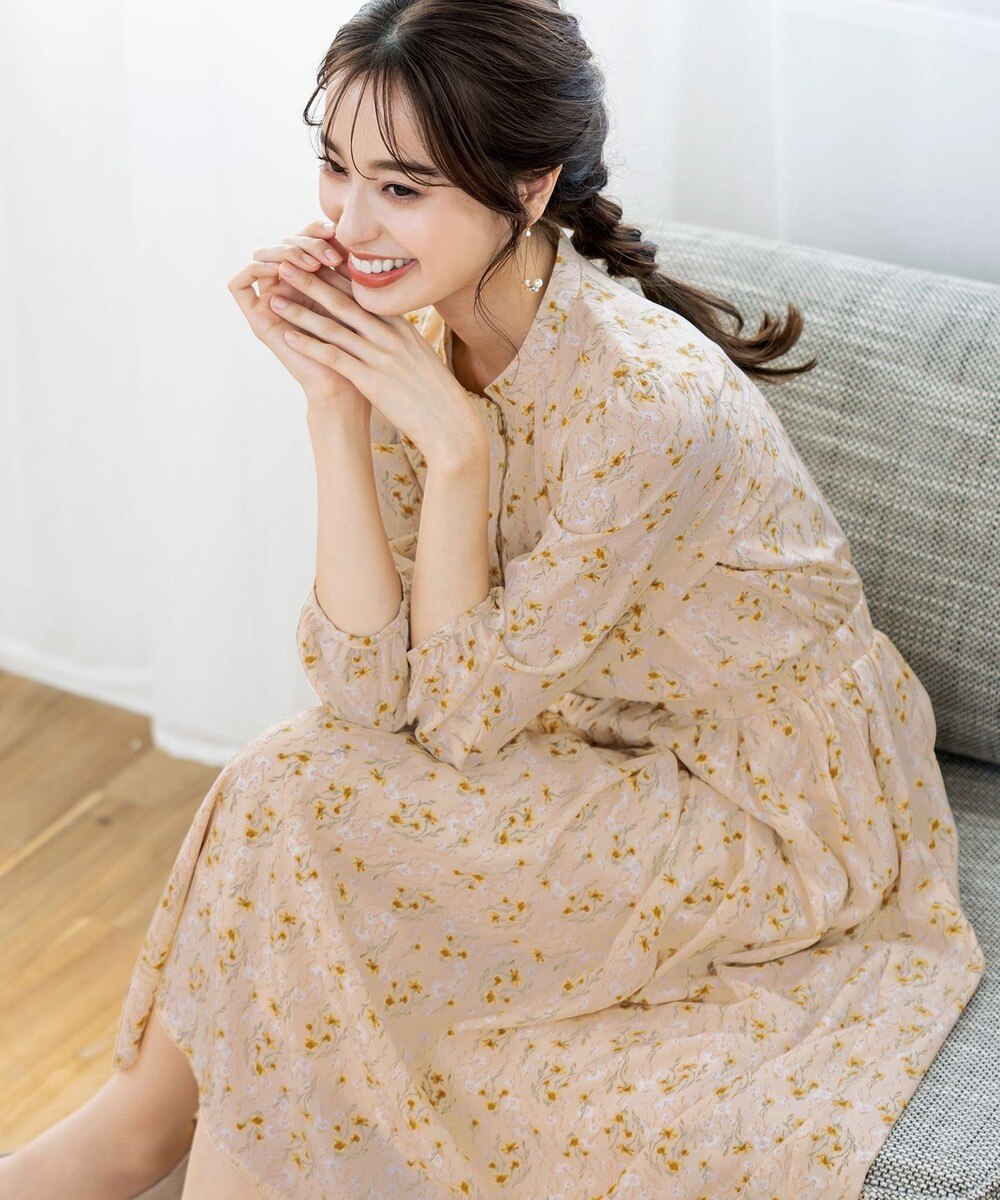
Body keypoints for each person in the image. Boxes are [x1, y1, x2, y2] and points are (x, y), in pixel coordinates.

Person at [2, 1, 985, 1198]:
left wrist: (457, 452)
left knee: (300, 798)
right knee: (295, 781)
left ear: (529, 188)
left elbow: (458, 724)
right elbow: (369, 694)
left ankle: (139, 1149)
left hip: (764, 810)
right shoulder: (418, 338)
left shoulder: (643, 407)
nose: (348, 225)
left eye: (401, 187)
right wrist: (333, 407)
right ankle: (138, 1134)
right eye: (334, 167)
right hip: (582, 745)